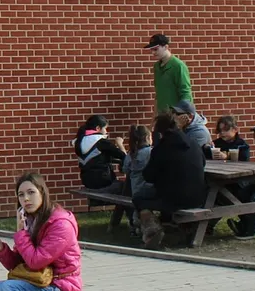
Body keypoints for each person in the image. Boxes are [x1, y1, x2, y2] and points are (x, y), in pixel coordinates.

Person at [137, 112, 207, 248]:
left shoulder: (161, 149)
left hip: (173, 199)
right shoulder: (193, 144)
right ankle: (172, 226)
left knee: (139, 198)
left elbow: (148, 176)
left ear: (160, 132)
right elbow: (203, 163)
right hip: (198, 197)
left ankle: (152, 231)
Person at [73, 114, 124, 190]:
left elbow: (95, 158)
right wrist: (120, 144)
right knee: (124, 187)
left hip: (87, 181)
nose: (106, 131)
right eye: (105, 128)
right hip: (103, 182)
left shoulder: (79, 141)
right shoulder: (101, 141)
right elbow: (123, 156)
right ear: (98, 128)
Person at [146, 33, 193, 114]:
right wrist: (155, 115)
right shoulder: (157, 67)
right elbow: (158, 94)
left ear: (166, 47)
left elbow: (185, 92)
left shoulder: (178, 65)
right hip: (162, 114)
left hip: (177, 114)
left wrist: (182, 115)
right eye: (151, 50)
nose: (153, 53)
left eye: (156, 49)